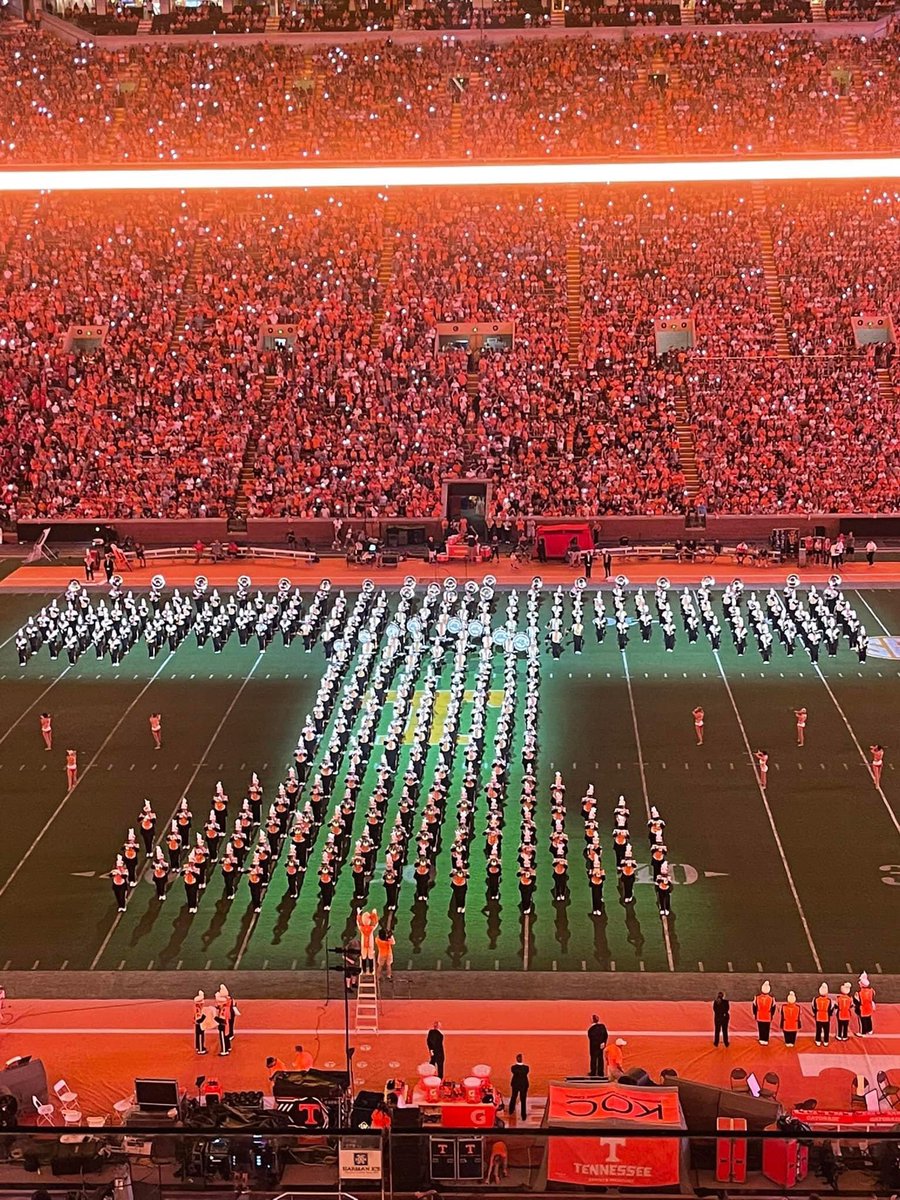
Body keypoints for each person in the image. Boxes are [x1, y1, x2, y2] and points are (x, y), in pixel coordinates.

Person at [753, 980, 776, 1045]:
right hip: (768, 1016)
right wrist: (771, 1015)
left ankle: (761, 1039)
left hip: (759, 1015)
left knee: (761, 1028)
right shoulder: (771, 998)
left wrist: (755, 1014)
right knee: (767, 1028)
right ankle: (766, 1039)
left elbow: (754, 1007)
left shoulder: (757, 997)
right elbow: (773, 1008)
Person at [508, 1053, 529, 1120]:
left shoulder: (513, 1067)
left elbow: (516, 1072)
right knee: (523, 1100)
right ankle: (523, 1115)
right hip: (523, 1085)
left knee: (513, 1097)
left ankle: (511, 1110)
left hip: (515, 1084)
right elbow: (523, 1072)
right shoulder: (526, 1068)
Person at [854, 971, 875, 1036]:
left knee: (863, 1020)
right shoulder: (871, 990)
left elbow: (857, 1001)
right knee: (868, 1019)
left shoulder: (859, 993)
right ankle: (870, 1030)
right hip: (869, 1007)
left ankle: (863, 1032)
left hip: (862, 1008)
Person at [812, 983, 833, 1047]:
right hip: (826, 1017)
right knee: (826, 1030)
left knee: (818, 1029)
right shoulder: (829, 1000)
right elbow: (831, 1009)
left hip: (818, 1016)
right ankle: (826, 1041)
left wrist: (815, 1013)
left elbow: (813, 1007)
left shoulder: (816, 999)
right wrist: (829, 1014)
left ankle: (818, 1040)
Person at [194, 990, 208, 1055]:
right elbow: (199, 1018)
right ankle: (200, 1049)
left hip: (198, 1023)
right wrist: (205, 1017)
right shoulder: (198, 1009)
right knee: (200, 1035)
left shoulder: (197, 1007)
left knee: (198, 1035)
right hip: (199, 1024)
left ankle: (198, 1047)